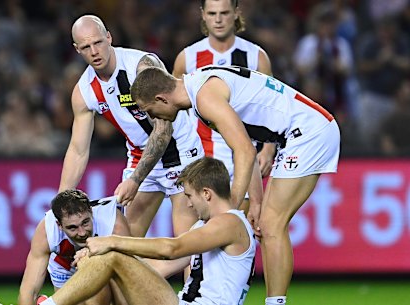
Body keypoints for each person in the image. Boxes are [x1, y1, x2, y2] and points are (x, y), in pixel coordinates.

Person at [130, 66, 340, 305]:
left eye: (151, 110)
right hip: (295, 133)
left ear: (161, 98)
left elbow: (245, 150)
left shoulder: (204, 97)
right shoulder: (200, 89)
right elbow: (245, 145)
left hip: (308, 132)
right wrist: (255, 202)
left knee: (272, 226)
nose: (154, 117)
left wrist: (229, 211)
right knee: (263, 224)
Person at [36, 157, 256, 305]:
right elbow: (160, 267)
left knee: (111, 256)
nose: (189, 204)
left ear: (207, 193)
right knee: (107, 259)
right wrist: (102, 257)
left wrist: (112, 242)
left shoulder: (230, 223)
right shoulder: (206, 227)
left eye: (189, 196)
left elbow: (171, 248)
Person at [59, 15, 204, 237]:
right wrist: (61, 202)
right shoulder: (83, 91)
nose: (94, 51)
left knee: (187, 247)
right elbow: (78, 150)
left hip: (181, 152)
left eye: (98, 42)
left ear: (109, 37)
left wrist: (135, 180)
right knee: (124, 246)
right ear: (77, 50)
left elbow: (163, 131)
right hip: (140, 155)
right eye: (86, 47)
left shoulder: (141, 66)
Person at [172, 0, 277, 214]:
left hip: (245, 159)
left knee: (241, 232)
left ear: (236, 12)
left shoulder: (256, 56)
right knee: (200, 238)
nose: (218, 20)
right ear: (202, 14)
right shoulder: (187, 58)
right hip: (201, 158)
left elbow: (271, 107)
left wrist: (268, 149)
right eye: (212, 13)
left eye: (224, 13)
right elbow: (173, 108)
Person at [16, 189, 131, 305]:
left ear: (91, 212)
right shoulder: (48, 230)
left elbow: (128, 278)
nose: (82, 233)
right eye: (72, 228)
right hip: (65, 264)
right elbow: (30, 290)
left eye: (85, 222)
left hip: (106, 265)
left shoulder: (114, 225)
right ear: (59, 225)